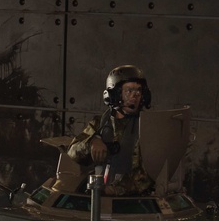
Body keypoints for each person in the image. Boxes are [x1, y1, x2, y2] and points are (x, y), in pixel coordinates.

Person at [66, 64, 155, 196]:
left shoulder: (148, 126)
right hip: (101, 196)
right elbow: (72, 152)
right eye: (129, 91)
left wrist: (113, 189)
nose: (134, 96)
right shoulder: (101, 123)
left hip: (133, 201)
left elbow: (149, 173)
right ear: (114, 95)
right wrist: (91, 143)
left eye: (138, 91)